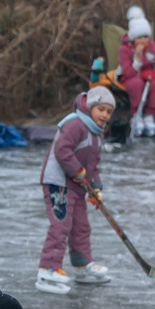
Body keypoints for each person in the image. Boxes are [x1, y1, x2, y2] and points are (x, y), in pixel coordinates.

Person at [36, 87, 116, 295]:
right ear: (90, 107)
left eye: (109, 111)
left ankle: (82, 265)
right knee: (61, 225)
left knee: (81, 225)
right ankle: (48, 268)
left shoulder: (97, 134)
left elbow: (93, 165)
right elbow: (62, 151)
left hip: (77, 186)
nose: (105, 115)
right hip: (58, 183)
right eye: (101, 109)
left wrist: (96, 188)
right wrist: (77, 171)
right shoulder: (75, 124)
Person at [118, 6, 155, 137]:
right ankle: (136, 115)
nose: (143, 40)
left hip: (149, 78)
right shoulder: (124, 50)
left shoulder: (154, 48)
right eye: (139, 37)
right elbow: (128, 73)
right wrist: (138, 59)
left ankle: (150, 116)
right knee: (136, 83)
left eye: (146, 36)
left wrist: (154, 74)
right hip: (131, 77)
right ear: (133, 38)